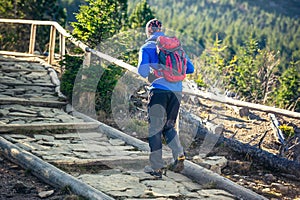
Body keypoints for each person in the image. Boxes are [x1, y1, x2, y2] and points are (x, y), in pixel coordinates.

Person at [137, 19, 195, 179]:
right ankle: (179, 153)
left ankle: (156, 168)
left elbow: (142, 71)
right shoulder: (176, 46)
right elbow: (190, 68)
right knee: (169, 126)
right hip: (176, 91)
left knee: (155, 128)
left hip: (158, 90)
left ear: (148, 31)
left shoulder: (147, 47)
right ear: (161, 29)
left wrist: (154, 71)